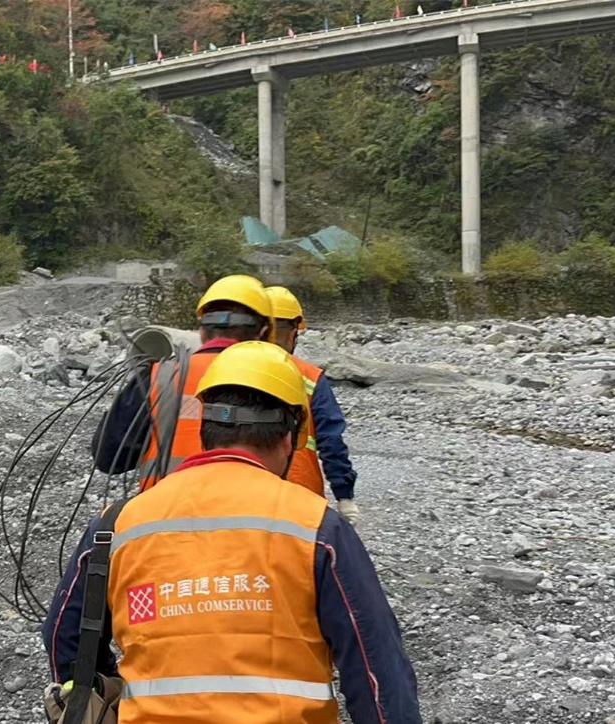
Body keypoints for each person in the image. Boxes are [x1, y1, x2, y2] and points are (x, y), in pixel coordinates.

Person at [42, 341, 421, 723]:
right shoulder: (317, 528)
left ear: (206, 429)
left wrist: (103, 690)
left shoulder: (117, 525)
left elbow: (64, 636)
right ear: (289, 437)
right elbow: (377, 670)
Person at [90, 274, 274, 490]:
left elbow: (109, 457)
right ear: (264, 332)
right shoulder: (279, 381)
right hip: (251, 516)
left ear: (203, 331)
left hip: (161, 517)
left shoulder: (158, 377)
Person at [265, 286, 361, 525]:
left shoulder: (226, 369)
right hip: (300, 491)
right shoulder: (309, 376)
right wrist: (344, 494)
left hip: (237, 489)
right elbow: (331, 440)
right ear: (293, 331)